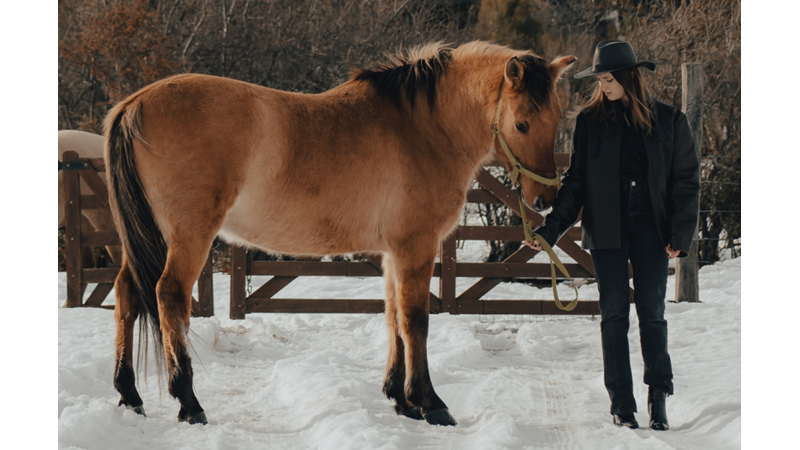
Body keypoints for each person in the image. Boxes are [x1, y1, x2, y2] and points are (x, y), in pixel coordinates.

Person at [527, 40, 700, 430]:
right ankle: (622, 403)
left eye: (608, 79)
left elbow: (687, 183)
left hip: (652, 231)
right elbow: (576, 185)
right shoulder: (589, 122)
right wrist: (550, 230)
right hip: (607, 231)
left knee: (652, 315)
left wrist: (680, 233)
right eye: (599, 79)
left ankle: (658, 398)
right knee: (614, 316)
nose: (603, 86)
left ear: (628, 77)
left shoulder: (670, 121)